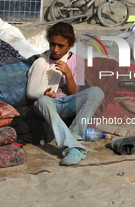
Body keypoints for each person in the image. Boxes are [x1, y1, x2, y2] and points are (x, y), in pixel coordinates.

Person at [26, 22, 104, 166]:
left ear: (70, 45)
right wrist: (45, 93)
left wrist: (68, 74)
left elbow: (74, 93)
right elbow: (31, 92)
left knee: (96, 92)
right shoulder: (42, 61)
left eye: (60, 46)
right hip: (48, 104)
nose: (55, 49)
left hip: (67, 103)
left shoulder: (77, 61)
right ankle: (72, 147)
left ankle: (74, 136)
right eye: (52, 44)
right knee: (43, 101)